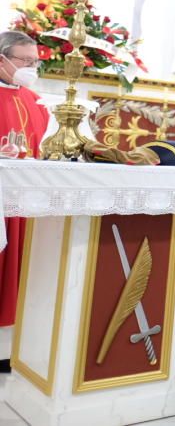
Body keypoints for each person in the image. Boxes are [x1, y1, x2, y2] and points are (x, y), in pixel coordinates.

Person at [0, 31, 49, 372]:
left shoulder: (37, 101)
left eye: (35, 62)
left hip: (31, 205)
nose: (32, 68)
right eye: (25, 61)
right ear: (2, 59)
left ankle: (13, 349)